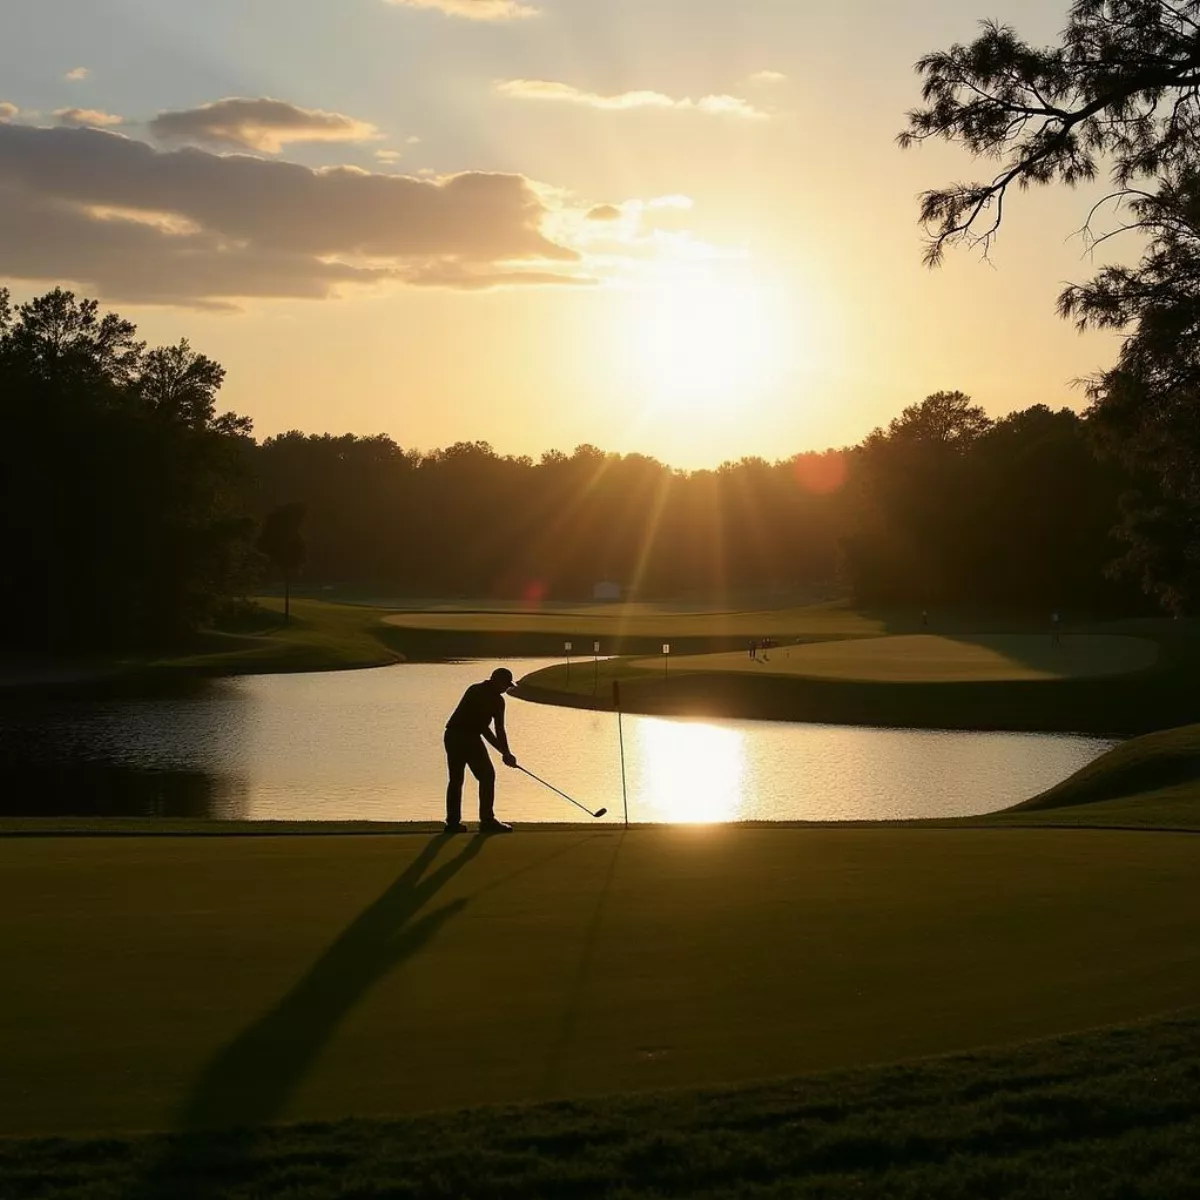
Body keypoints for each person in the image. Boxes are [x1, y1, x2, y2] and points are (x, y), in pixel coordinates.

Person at [444, 667, 519, 833]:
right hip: (461, 736)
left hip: (459, 736)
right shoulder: (477, 692)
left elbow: (500, 729)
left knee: (460, 780)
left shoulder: (495, 699)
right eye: (505, 685)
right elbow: (484, 729)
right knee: (482, 776)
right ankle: (485, 821)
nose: (506, 688)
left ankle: (454, 823)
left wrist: (506, 752)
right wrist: (504, 753)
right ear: (496, 680)